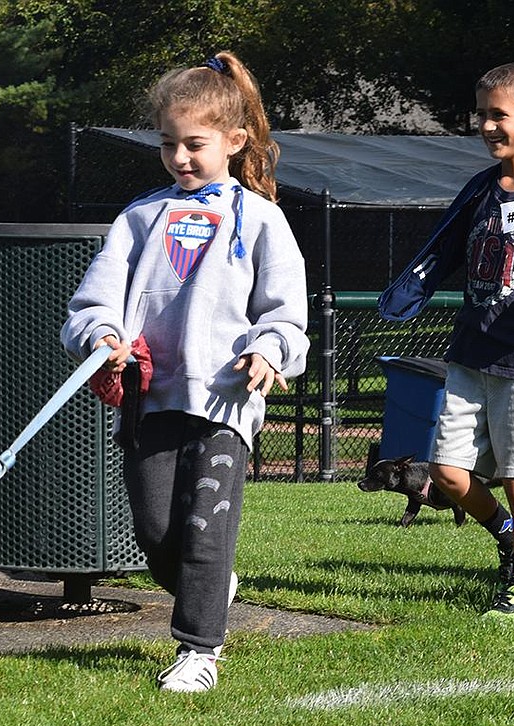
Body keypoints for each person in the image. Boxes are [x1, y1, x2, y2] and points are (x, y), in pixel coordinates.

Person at [60, 51, 309, 692]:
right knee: (156, 531)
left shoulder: (261, 220)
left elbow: (285, 313)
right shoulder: (137, 219)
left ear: (235, 140)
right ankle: (210, 584)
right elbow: (91, 306)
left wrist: (269, 349)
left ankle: (199, 648)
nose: (180, 158)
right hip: (152, 399)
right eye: (169, 145)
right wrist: (103, 335)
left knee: (206, 523)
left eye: (194, 144)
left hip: (227, 401)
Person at [379, 62, 514, 619]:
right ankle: (512, 536)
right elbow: (445, 244)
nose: (486, 125)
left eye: (499, 114)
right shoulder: (480, 189)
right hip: (470, 355)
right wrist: (411, 289)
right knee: (449, 474)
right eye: (481, 114)